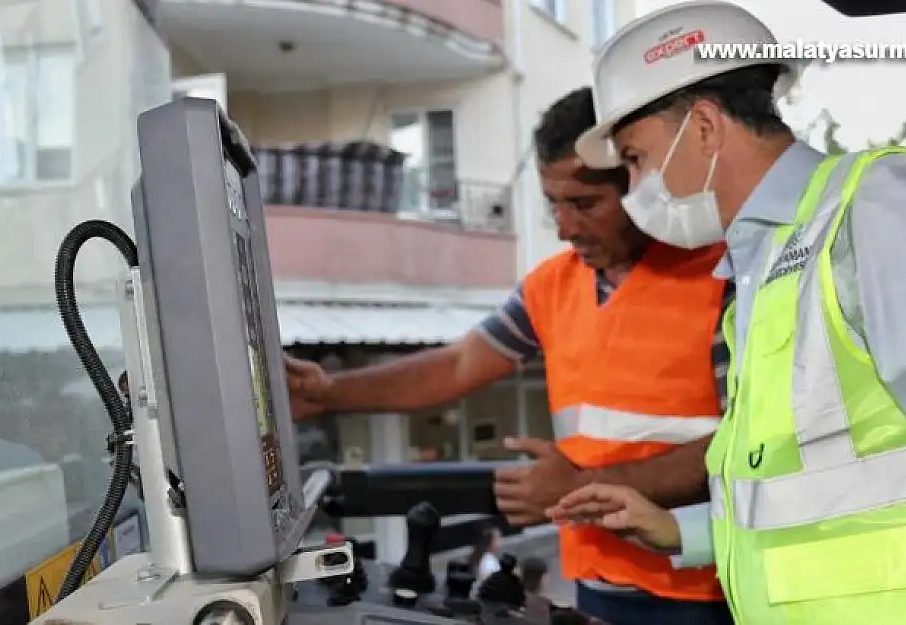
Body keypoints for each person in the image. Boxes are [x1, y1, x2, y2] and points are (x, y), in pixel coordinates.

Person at [549, 2, 906, 625]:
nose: (636, 189)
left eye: (636, 159)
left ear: (703, 128)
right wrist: (675, 530)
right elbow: (814, 500)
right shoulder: (766, 267)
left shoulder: (880, 209)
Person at [285, 87, 734, 625]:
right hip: (597, 585)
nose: (566, 228)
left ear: (637, 182)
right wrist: (330, 392)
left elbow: (743, 444)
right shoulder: (551, 286)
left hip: (709, 591)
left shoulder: (723, 275)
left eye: (585, 204)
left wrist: (582, 489)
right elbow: (458, 365)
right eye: (554, 206)